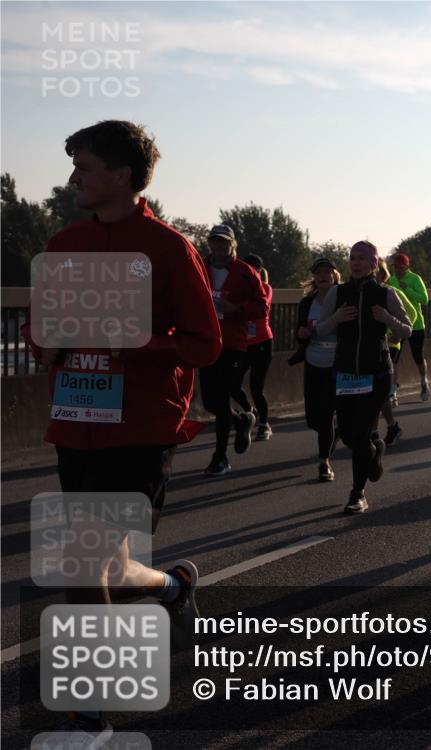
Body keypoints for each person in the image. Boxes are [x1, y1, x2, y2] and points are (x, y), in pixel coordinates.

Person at [24, 120, 222, 742]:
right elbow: (40, 330)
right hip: (74, 422)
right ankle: (173, 585)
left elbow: (206, 344)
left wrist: (137, 343)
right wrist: (46, 345)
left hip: (140, 428)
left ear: (122, 174)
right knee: (105, 564)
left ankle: (92, 715)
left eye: (83, 166)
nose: (73, 177)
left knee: (82, 564)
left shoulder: (167, 248)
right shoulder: (62, 244)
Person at [317, 241, 411, 513]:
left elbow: (406, 330)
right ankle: (375, 449)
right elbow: (321, 330)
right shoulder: (337, 293)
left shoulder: (386, 294)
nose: (355, 263)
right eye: (352, 258)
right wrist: (336, 318)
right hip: (346, 373)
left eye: (361, 258)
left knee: (359, 432)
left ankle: (357, 493)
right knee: (347, 434)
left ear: (373, 263)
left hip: (378, 373)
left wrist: (386, 319)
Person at [199, 224, 267, 475]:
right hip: (205, 340)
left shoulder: (245, 272)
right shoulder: (199, 265)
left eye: (223, 242)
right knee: (209, 401)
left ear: (232, 244)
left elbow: (262, 308)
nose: (218, 246)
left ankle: (220, 457)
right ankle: (241, 419)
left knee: (222, 393)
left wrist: (236, 308)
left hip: (233, 344)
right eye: (214, 241)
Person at [289, 258, 341, 481]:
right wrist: (301, 334)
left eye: (327, 272)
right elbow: (298, 331)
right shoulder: (306, 303)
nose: (322, 276)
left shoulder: (342, 299)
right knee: (313, 418)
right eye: (318, 273)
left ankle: (324, 462)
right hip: (313, 361)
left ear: (335, 276)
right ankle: (331, 435)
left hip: (335, 363)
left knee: (327, 414)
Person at [231, 254, 274, 441]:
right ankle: (250, 412)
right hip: (242, 343)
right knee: (233, 384)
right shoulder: (238, 290)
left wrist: (235, 306)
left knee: (256, 387)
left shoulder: (264, 288)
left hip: (262, 343)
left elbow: (254, 306)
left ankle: (264, 424)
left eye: (253, 267)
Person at [377, 259, 416, 446]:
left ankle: (377, 432)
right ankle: (390, 426)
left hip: (390, 344)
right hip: (362, 350)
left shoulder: (392, 293)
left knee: (378, 391)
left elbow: (412, 315)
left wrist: (395, 333)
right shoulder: (352, 292)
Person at [388, 253, 430, 401]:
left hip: (416, 325)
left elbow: (425, 300)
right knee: (394, 358)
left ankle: (424, 381)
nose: (397, 270)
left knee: (417, 357)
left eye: (401, 267)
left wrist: (408, 290)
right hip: (397, 325)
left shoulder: (415, 279)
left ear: (407, 267)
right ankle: (393, 390)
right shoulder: (391, 280)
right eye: (395, 267)